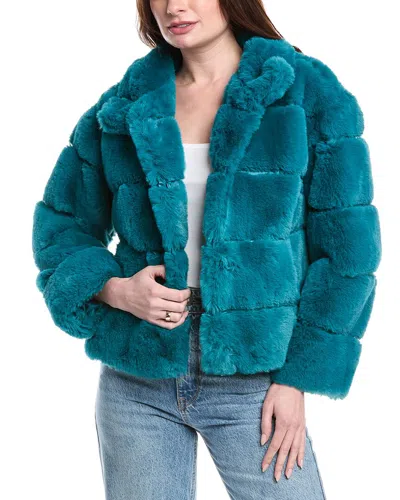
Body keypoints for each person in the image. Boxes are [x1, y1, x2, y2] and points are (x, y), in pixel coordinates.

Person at [32, 0, 382, 498]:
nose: (174, 6)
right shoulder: (125, 106)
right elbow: (61, 225)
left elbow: (348, 254)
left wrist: (296, 378)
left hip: (255, 374)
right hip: (138, 373)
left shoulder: (306, 93)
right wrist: (114, 290)